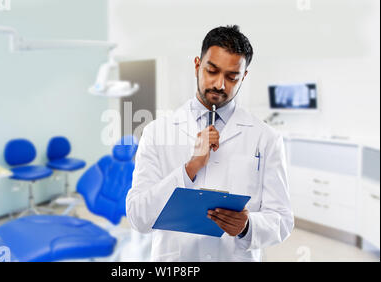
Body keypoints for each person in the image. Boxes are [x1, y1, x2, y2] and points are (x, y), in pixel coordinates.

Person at [126, 25, 294, 262]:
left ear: (243, 76)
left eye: (231, 77)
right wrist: (190, 168)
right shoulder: (156, 132)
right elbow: (138, 217)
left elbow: (283, 220)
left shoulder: (266, 137)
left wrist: (247, 226)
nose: (220, 84)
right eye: (212, 71)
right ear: (197, 65)